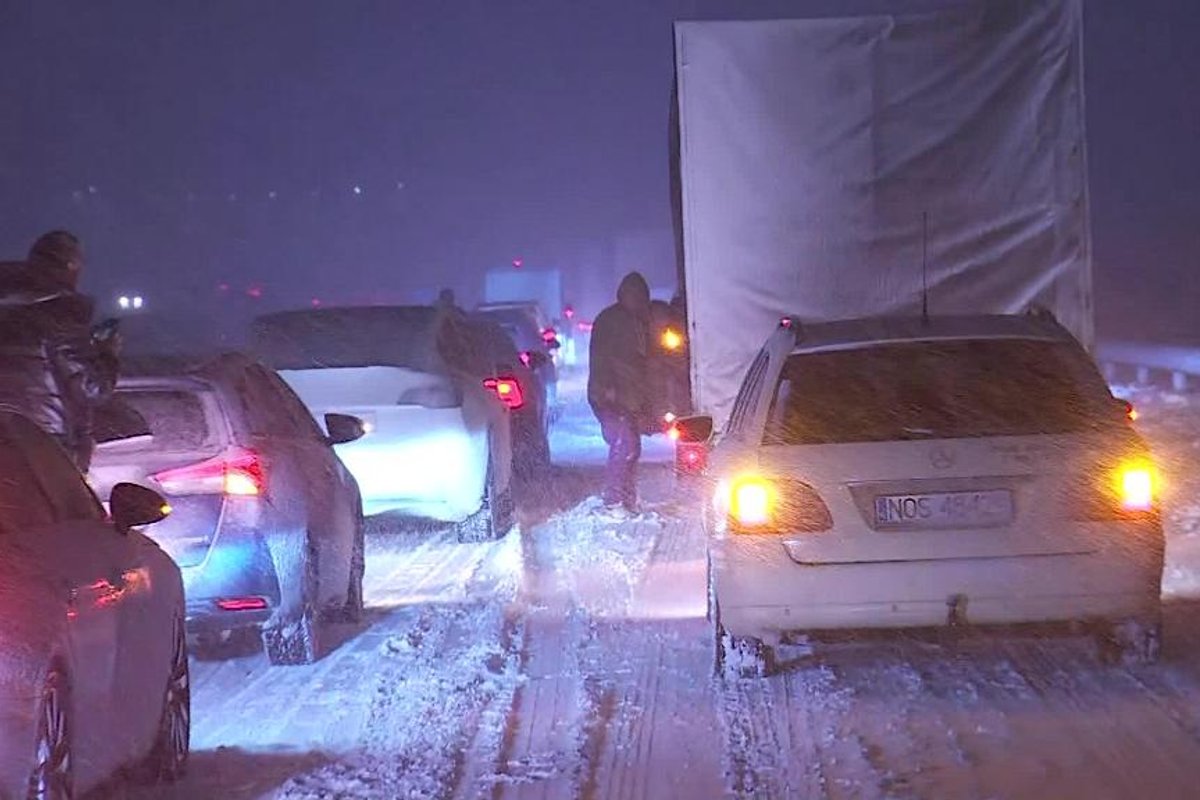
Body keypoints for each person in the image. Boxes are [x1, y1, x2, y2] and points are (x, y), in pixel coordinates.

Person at [0, 231, 119, 471]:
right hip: (46, 451)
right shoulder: (61, 319)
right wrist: (108, 353)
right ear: (70, 266)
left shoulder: (8, 314)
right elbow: (93, 388)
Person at [587, 271, 652, 513]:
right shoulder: (612, 321)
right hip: (611, 397)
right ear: (625, 295)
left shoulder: (636, 320)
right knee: (624, 445)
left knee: (630, 448)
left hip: (628, 397)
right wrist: (606, 390)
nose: (639, 300)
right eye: (635, 295)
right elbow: (601, 358)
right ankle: (615, 500)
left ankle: (625, 498)